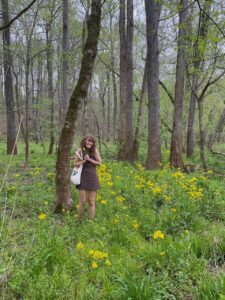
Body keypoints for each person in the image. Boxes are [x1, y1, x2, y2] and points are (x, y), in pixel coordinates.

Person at [74, 134, 101, 222]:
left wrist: (89, 159)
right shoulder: (79, 151)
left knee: (91, 202)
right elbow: (75, 164)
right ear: (85, 141)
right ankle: (79, 220)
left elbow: (99, 163)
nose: (90, 143)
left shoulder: (94, 151)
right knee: (82, 202)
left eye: (92, 142)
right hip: (82, 177)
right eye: (88, 141)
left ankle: (90, 221)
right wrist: (84, 160)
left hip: (92, 177)